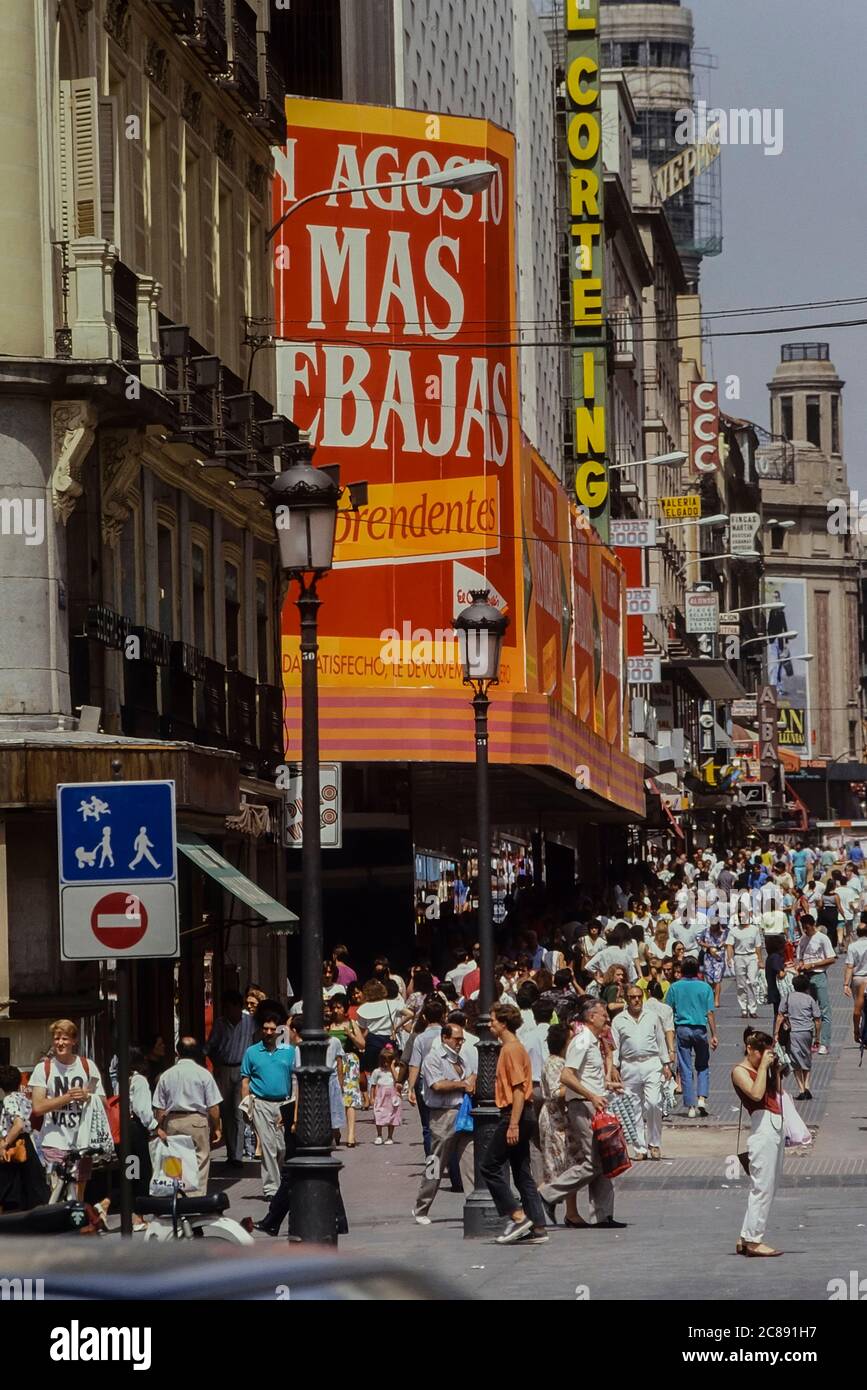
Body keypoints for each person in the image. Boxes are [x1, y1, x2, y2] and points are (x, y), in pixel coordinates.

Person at [537, 996, 626, 1229]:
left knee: (605, 1160)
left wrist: (606, 1086)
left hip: (595, 1104)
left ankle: (603, 1215)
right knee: (592, 1163)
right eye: (603, 1013)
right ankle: (547, 1194)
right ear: (591, 1017)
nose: (607, 1017)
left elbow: (587, 1076)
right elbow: (567, 1076)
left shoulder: (594, 1041)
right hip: (584, 1106)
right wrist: (592, 1095)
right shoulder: (582, 1041)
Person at [479, 1002, 547, 1244]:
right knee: (521, 1171)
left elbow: (518, 1090)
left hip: (514, 1113)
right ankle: (538, 1225)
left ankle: (518, 1216)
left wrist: (513, 1124)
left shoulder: (510, 1050)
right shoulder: (513, 1048)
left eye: (493, 1020)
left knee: (489, 1165)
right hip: (523, 1114)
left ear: (504, 1023)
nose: (490, 1024)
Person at [29, 1019, 106, 1200]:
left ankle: (75, 1225)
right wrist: (68, 1097)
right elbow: (38, 1107)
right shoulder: (44, 1068)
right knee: (57, 1193)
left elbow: (102, 1102)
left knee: (78, 1196)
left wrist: (88, 1097)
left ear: (74, 1041)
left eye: (64, 1038)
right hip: (54, 1140)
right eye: (56, 1039)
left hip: (82, 1141)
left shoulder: (88, 1066)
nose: (60, 1043)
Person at [412, 1022, 477, 1224]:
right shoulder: (433, 1059)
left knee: (469, 1161)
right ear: (445, 1038)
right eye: (457, 1039)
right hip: (442, 1116)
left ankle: (474, 1203)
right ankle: (421, 1207)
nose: (459, 1043)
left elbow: (471, 1074)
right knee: (435, 1163)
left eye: (461, 1040)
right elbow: (437, 1084)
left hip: (463, 1113)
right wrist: (462, 1084)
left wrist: (471, 1080)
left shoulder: (462, 1058)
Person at [731, 1030, 785, 1257]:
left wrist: (775, 1070)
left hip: (774, 1125)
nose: (763, 1057)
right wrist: (762, 1067)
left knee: (770, 1185)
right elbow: (755, 1094)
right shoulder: (739, 1071)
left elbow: (777, 1093)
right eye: (760, 1053)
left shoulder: (763, 1068)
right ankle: (754, 1240)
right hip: (762, 1127)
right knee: (762, 1187)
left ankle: (746, 1236)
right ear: (750, 1050)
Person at [153, 1037, 222, 1196]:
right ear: (197, 1053)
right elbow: (213, 1106)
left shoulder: (167, 1075)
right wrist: (217, 1127)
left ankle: (177, 1196)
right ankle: (196, 1198)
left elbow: (159, 1108)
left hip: (173, 1122)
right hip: (197, 1121)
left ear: (177, 1052)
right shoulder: (203, 1074)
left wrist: (159, 1127)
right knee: (200, 1160)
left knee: (175, 1159)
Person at [611, 985, 672, 1161]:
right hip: (629, 1065)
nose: (636, 1000)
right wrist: (614, 1067)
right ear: (626, 999)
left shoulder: (652, 1017)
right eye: (632, 997)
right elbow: (615, 1046)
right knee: (634, 1107)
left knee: (654, 1103)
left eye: (639, 996)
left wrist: (666, 1063)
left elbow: (661, 1041)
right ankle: (640, 1147)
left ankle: (655, 1143)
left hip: (651, 1063)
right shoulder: (619, 1020)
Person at [240, 1010, 296, 1199]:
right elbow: (245, 1081)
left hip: (284, 1103)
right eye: (266, 1028)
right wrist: (246, 1104)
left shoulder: (289, 1052)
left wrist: (292, 1106)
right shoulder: (252, 1052)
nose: (269, 1032)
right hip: (261, 1103)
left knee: (282, 1147)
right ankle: (272, 1189)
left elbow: (294, 1079)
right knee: (268, 1147)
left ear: (279, 1030)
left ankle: (280, 1180)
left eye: (273, 1029)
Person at [205, 989, 255, 1169]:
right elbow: (210, 1047)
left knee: (239, 1111)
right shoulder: (219, 1023)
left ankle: (237, 1155)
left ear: (238, 1007)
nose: (227, 1011)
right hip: (224, 1069)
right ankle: (231, 1150)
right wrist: (216, 1063)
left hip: (243, 1070)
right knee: (226, 1111)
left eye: (229, 1007)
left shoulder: (250, 1022)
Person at [666, 958, 718, 1118]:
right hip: (700, 1028)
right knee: (702, 1065)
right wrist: (714, 1034)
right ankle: (702, 1097)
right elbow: (710, 1013)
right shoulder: (705, 987)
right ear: (698, 970)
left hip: (682, 1028)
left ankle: (690, 1106)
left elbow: (668, 1009)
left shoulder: (674, 987)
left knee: (685, 1067)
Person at [0, 1065, 49, 1212]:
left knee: (11, 1188)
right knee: (31, 1184)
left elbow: (18, 1124)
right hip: (28, 1143)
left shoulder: (8, 1100)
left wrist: (4, 1144)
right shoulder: (24, 1098)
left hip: (15, 1144)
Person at [537, 1023, 578, 1186]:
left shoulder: (563, 1062)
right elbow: (555, 1092)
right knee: (557, 1165)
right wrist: (578, 1086)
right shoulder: (555, 1063)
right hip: (554, 1121)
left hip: (562, 1120)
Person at [128, 1047, 162, 1228]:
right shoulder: (139, 1080)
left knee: (130, 1172)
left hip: (123, 1131)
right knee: (141, 1173)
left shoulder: (120, 1078)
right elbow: (142, 1109)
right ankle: (137, 1217)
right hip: (136, 1131)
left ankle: (132, 1214)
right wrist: (155, 1127)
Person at [774, 976, 820, 1099]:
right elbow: (817, 1020)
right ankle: (807, 1086)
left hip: (793, 1033)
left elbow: (780, 1016)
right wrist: (817, 1037)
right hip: (807, 1032)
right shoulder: (810, 999)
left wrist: (776, 1033)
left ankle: (801, 1089)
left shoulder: (787, 997)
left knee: (795, 1061)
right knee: (806, 1057)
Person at [795, 915, 835, 1053]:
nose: (805, 930)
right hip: (806, 977)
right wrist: (800, 966)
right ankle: (811, 1040)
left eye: (806, 927)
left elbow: (831, 958)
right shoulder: (802, 940)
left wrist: (812, 964)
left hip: (818, 975)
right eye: (803, 927)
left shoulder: (822, 938)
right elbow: (799, 958)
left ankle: (824, 1042)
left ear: (813, 925)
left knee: (824, 1009)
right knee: (807, 1009)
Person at [356, 979, 400, 1071]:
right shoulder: (391, 1003)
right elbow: (410, 1014)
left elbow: (362, 1030)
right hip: (388, 1041)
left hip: (372, 1042)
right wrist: (397, 1027)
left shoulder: (363, 1008)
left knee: (372, 1071)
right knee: (390, 1070)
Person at [726, 914, 764, 1019]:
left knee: (752, 982)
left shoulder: (754, 929)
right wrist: (729, 958)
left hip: (752, 957)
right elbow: (729, 945)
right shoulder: (733, 931)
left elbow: (758, 946)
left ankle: (753, 1009)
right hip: (739, 957)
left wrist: (760, 960)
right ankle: (743, 1008)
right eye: (739, 917)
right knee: (741, 984)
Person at [369, 1047, 402, 1144]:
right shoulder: (377, 1071)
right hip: (381, 1097)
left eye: (389, 1061)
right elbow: (373, 1085)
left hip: (392, 1098)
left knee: (392, 1115)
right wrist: (372, 1097)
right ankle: (379, 1135)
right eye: (384, 1061)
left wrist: (392, 1068)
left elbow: (398, 1080)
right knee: (379, 1114)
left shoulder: (396, 1070)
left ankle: (390, 1137)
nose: (386, 1064)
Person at [844, 917, 867, 1043]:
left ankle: (858, 1030)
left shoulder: (853, 946)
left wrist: (846, 984)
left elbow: (849, 966)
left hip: (858, 979)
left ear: (857, 933)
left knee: (859, 1007)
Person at [697, 918, 728, 1007]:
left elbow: (728, 941)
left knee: (717, 979)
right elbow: (699, 941)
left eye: (715, 925)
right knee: (710, 979)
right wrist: (708, 946)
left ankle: (716, 1000)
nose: (713, 927)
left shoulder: (724, 932)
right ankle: (711, 996)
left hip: (719, 957)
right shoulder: (706, 931)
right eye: (712, 925)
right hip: (708, 956)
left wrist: (723, 944)